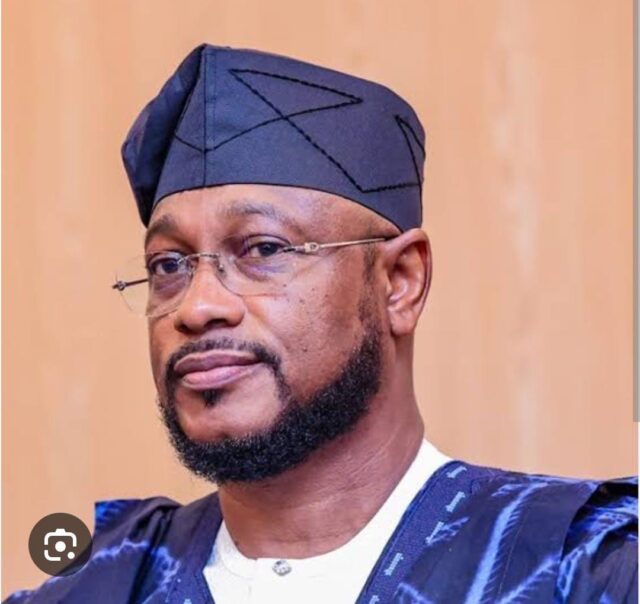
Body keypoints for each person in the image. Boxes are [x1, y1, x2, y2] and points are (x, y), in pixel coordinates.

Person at [5, 44, 637, 604]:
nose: (196, 308)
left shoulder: (578, 569)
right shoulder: (98, 587)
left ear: (400, 282)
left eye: (263, 249)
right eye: (168, 265)